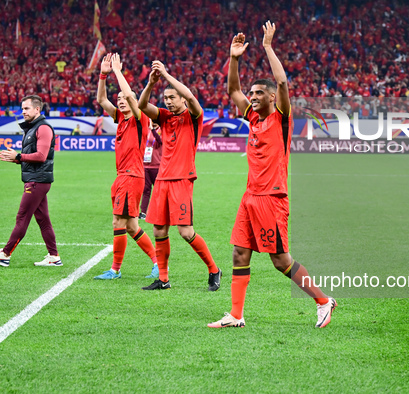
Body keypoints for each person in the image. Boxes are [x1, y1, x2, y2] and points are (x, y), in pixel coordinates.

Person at [208, 22, 336, 329]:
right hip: (250, 196)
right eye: (252, 93)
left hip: (272, 198)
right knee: (240, 254)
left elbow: (282, 83)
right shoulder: (251, 117)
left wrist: (267, 46)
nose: (252, 97)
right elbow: (233, 90)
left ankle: (322, 301)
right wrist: (234, 58)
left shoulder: (281, 118)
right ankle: (236, 315)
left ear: (271, 98)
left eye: (259, 93)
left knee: (280, 261)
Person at [138, 60, 221, 291]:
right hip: (162, 180)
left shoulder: (194, 117)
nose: (168, 102)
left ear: (182, 98)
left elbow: (193, 99)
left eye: (172, 98)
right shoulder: (164, 117)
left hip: (182, 179)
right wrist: (151, 84)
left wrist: (165, 74)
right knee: (159, 230)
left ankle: (214, 269)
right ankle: (163, 280)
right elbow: (143, 105)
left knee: (185, 232)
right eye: (165, 99)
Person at [94, 53, 159, 280]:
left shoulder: (140, 119)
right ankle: (157, 263)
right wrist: (103, 75)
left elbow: (132, 95)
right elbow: (102, 100)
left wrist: (118, 71)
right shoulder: (120, 119)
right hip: (122, 177)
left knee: (118, 222)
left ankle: (115, 269)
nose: (120, 100)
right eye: (118, 98)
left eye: (123, 98)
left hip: (131, 176)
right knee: (131, 226)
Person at [0, 95, 62, 267]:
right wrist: (17, 159)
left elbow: (41, 156)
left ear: (37, 109)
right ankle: (54, 256)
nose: (23, 112)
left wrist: (19, 156)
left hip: (37, 182)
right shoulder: (32, 128)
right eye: (22, 109)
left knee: (22, 217)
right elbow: (33, 157)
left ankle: (5, 254)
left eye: (26, 108)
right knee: (43, 220)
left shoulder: (42, 128)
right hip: (37, 180)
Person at [139, 120, 162, 220]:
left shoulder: (162, 130)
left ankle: (158, 212)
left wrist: (153, 130)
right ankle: (143, 212)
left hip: (157, 165)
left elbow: (160, 141)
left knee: (158, 191)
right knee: (146, 190)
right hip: (145, 165)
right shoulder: (146, 130)